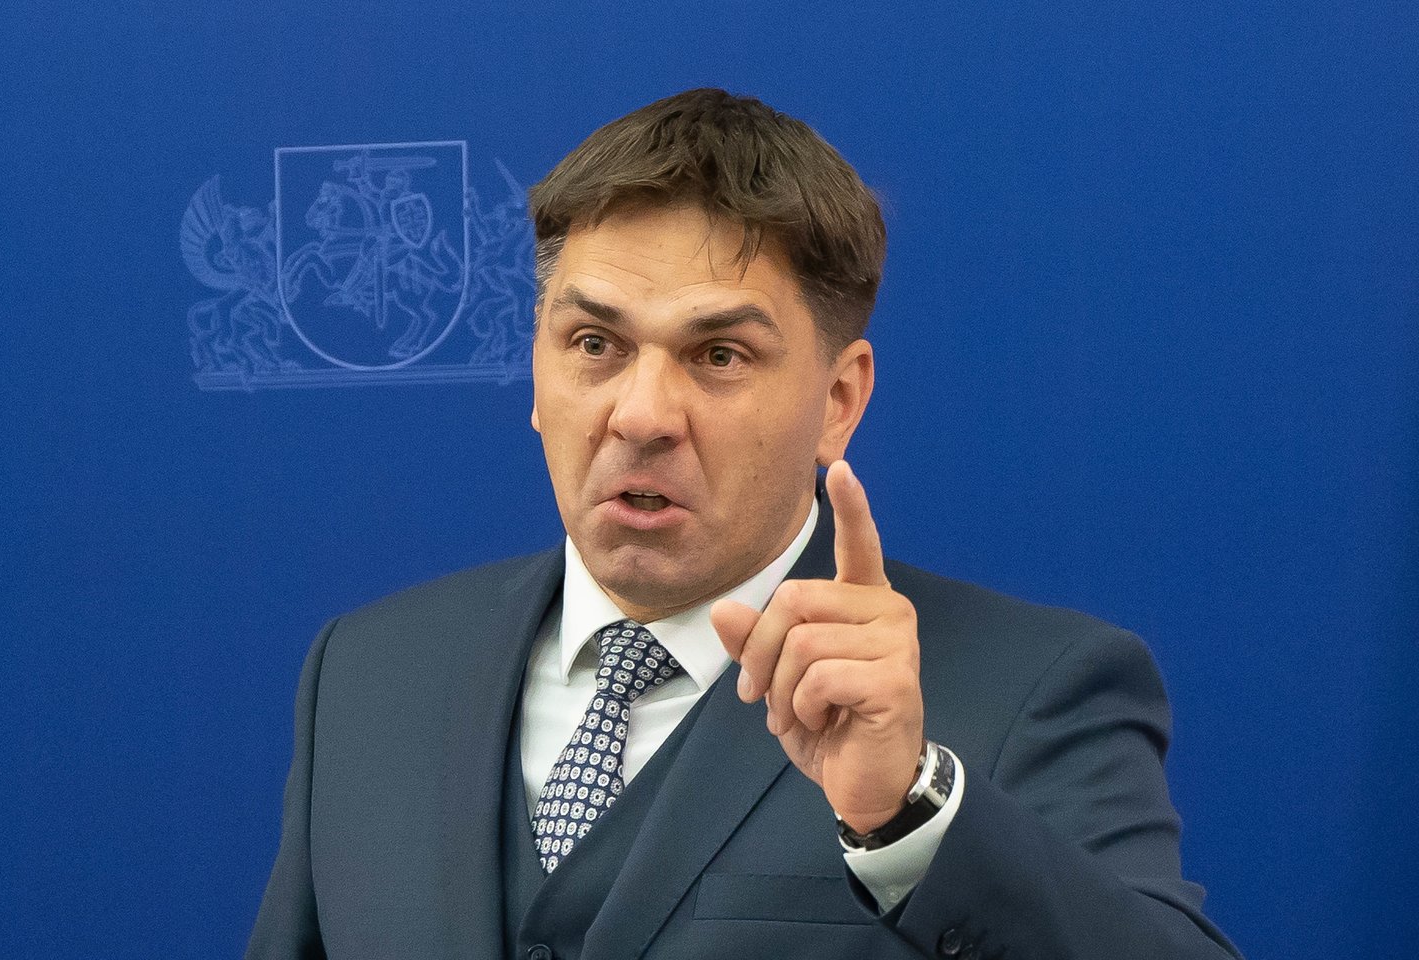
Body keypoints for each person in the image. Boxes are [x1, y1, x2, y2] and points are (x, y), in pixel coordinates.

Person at [246, 88, 1242, 960]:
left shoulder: (1034, 688)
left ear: (840, 401)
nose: (641, 415)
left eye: (719, 356)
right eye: (594, 343)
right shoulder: (366, 673)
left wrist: (908, 812)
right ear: (538, 373)